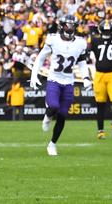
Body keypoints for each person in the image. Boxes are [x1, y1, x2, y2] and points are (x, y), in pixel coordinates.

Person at [30, 15, 92, 156]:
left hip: (69, 82)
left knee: (63, 115)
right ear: (61, 26)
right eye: (67, 25)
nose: (69, 28)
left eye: (72, 26)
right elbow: (40, 58)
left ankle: (52, 144)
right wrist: (34, 74)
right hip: (54, 79)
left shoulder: (80, 43)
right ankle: (47, 116)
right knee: (53, 106)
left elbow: (82, 63)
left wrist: (86, 77)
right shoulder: (53, 40)